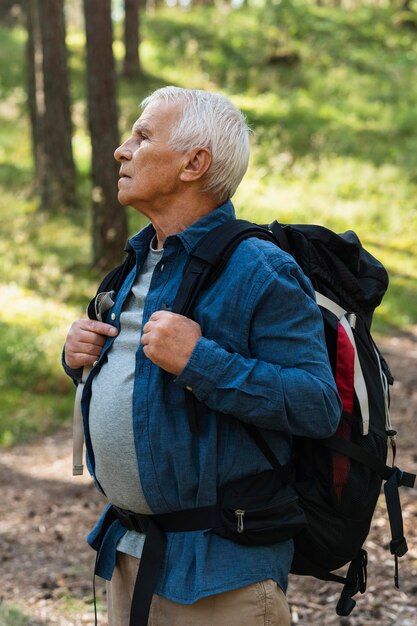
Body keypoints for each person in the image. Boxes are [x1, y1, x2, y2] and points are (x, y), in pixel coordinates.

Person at [63, 86, 341, 626]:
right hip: (131, 558)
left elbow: (317, 404)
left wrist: (200, 361)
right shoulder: (138, 262)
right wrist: (76, 358)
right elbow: (137, 385)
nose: (122, 150)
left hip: (222, 577)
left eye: (143, 137)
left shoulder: (260, 268)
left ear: (195, 163)